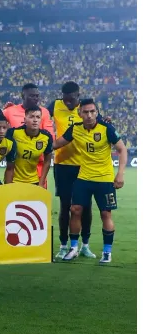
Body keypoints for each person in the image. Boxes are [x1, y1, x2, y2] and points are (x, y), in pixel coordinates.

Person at [53, 99, 127, 264]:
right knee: (75, 209)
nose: (89, 115)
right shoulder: (75, 129)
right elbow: (56, 144)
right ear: (80, 114)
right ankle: (73, 248)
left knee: (105, 213)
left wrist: (120, 174)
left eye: (92, 111)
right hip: (84, 177)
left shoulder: (106, 128)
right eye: (85, 112)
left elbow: (122, 149)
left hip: (105, 179)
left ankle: (107, 252)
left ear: (97, 112)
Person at [48, 82, 95, 259]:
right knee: (65, 206)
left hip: (84, 164)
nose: (68, 103)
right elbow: (40, 114)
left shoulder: (85, 109)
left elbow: (99, 124)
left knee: (86, 207)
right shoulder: (55, 105)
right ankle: (63, 245)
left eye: (71, 100)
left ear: (78, 95)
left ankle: (85, 245)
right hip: (62, 164)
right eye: (65, 100)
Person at [3, 83, 55, 187]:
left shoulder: (44, 112)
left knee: (38, 199)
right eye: (32, 95)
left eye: (37, 96)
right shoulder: (9, 111)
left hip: (38, 163)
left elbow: (50, 138)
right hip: (17, 164)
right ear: (23, 96)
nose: (35, 98)